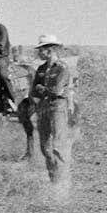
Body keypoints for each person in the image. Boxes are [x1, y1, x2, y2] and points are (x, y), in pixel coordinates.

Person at [30, 35, 72, 191]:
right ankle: (54, 178)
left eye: (41, 49)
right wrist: (41, 90)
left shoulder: (62, 67)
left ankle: (62, 183)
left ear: (49, 49)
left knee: (58, 145)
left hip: (57, 107)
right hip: (43, 108)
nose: (39, 52)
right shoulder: (40, 69)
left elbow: (57, 90)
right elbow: (34, 89)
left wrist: (43, 89)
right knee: (45, 147)